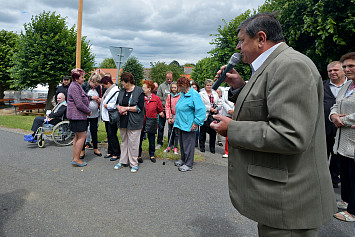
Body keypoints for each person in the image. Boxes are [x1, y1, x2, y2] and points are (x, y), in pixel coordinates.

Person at [210, 13, 336, 236]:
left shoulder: (291, 66)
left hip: (289, 206)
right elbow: (265, 106)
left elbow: (291, 135)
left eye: (241, 41)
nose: (238, 48)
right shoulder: (273, 65)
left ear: (261, 38)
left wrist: (232, 128)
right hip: (280, 203)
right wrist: (239, 87)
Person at [331, 52, 355, 222]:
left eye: (351, 66)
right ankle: (347, 202)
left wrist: (343, 120)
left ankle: (353, 211)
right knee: (345, 174)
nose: (347, 69)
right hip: (341, 141)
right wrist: (333, 116)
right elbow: (335, 105)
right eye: (345, 66)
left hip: (352, 140)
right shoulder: (347, 86)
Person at [114, 72, 144, 173]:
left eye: (123, 82)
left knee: (133, 143)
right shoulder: (121, 91)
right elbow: (117, 103)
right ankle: (123, 161)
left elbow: (139, 108)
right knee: (124, 142)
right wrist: (119, 108)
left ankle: (134, 163)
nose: (122, 84)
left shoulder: (139, 91)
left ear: (129, 82)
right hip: (123, 121)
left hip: (134, 121)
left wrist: (126, 108)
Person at [173, 77, 206, 172]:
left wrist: (196, 123)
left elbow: (201, 110)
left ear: (184, 85)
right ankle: (183, 159)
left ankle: (189, 164)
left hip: (189, 125)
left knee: (189, 145)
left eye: (179, 86)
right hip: (181, 123)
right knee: (183, 145)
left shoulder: (194, 95)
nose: (178, 88)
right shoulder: (183, 94)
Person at [324, 61, 348, 188]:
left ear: (343, 71)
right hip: (324, 126)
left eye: (335, 70)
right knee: (323, 152)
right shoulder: (322, 86)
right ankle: (322, 178)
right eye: (330, 71)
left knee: (339, 154)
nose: (332, 73)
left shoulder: (350, 87)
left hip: (344, 127)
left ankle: (334, 178)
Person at [66, 68, 91, 167]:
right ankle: (76, 159)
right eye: (82, 77)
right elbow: (79, 104)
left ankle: (75, 157)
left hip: (77, 116)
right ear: (76, 78)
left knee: (77, 137)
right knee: (82, 136)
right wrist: (88, 111)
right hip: (78, 116)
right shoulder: (74, 87)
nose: (83, 79)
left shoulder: (76, 86)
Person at [138, 80, 164, 163]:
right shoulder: (140, 98)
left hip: (152, 121)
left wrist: (161, 113)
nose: (142, 89)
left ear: (149, 89)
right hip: (141, 121)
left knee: (151, 139)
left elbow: (160, 109)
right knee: (139, 139)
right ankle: (138, 155)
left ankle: (151, 154)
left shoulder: (156, 99)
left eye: (144, 87)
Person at [100, 75, 120, 161]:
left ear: (108, 83)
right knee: (109, 134)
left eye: (104, 85)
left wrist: (108, 105)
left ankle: (116, 153)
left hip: (111, 116)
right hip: (107, 116)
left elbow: (117, 104)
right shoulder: (109, 90)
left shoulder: (116, 90)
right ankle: (110, 151)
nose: (103, 87)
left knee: (112, 135)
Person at [199, 79, 221, 153]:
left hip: (213, 115)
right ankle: (202, 146)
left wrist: (217, 108)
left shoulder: (215, 94)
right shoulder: (201, 94)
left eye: (210, 85)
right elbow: (200, 104)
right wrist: (209, 108)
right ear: (205, 86)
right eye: (207, 85)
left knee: (213, 133)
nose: (209, 87)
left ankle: (212, 148)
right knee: (203, 132)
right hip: (205, 115)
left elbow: (220, 103)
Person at [84, 73, 102, 158]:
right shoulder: (85, 86)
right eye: (94, 84)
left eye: (97, 85)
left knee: (94, 131)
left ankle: (95, 148)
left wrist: (99, 100)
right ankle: (82, 150)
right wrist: (91, 98)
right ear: (91, 81)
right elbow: (81, 98)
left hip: (95, 114)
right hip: (86, 114)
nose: (95, 86)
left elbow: (100, 97)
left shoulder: (98, 88)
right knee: (84, 132)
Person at [156, 71, 173, 149]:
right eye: (167, 79)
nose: (169, 80)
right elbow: (159, 98)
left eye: (170, 79)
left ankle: (171, 144)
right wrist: (166, 102)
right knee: (161, 127)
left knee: (171, 128)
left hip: (172, 110)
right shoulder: (161, 86)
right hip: (163, 109)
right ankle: (159, 142)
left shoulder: (174, 86)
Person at [164, 81, 181, 154]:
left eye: (175, 87)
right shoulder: (169, 96)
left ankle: (175, 147)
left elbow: (180, 108)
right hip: (171, 116)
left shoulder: (180, 96)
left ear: (177, 88)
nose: (173, 89)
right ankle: (169, 145)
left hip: (177, 116)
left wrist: (175, 118)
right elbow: (167, 107)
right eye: (172, 87)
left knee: (176, 132)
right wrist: (169, 117)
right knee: (170, 131)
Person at [220, 87, 234, 158]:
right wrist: (229, 110)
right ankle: (227, 151)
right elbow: (223, 102)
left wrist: (235, 111)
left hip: (238, 113)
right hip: (228, 114)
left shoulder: (242, 89)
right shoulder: (225, 90)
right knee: (228, 134)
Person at [191, 81, 201, 147]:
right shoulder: (189, 95)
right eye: (192, 87)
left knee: (197, 129)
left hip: (197, 113)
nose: (194, 88)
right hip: (191, 113)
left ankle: (196, 141)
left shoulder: (199, 95)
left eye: (195, 87)